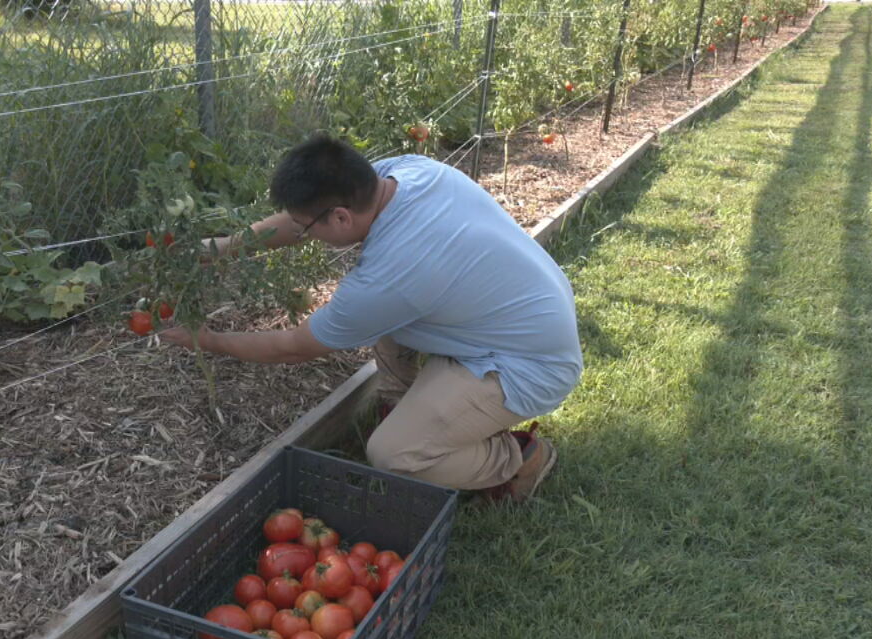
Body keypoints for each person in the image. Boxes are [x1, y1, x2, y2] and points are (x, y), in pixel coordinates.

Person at [158, 134, 582, 503]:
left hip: (527, 366)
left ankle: (518, 459)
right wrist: (222, 248)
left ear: (341, 217)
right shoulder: (410, 172)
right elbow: (296, 219)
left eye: (309, 231)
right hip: (519, 319)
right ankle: (423, 411)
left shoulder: (392, 273)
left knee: (393, 455)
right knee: (388, 318)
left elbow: (292, 346)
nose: (305, 236)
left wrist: (205, 339)